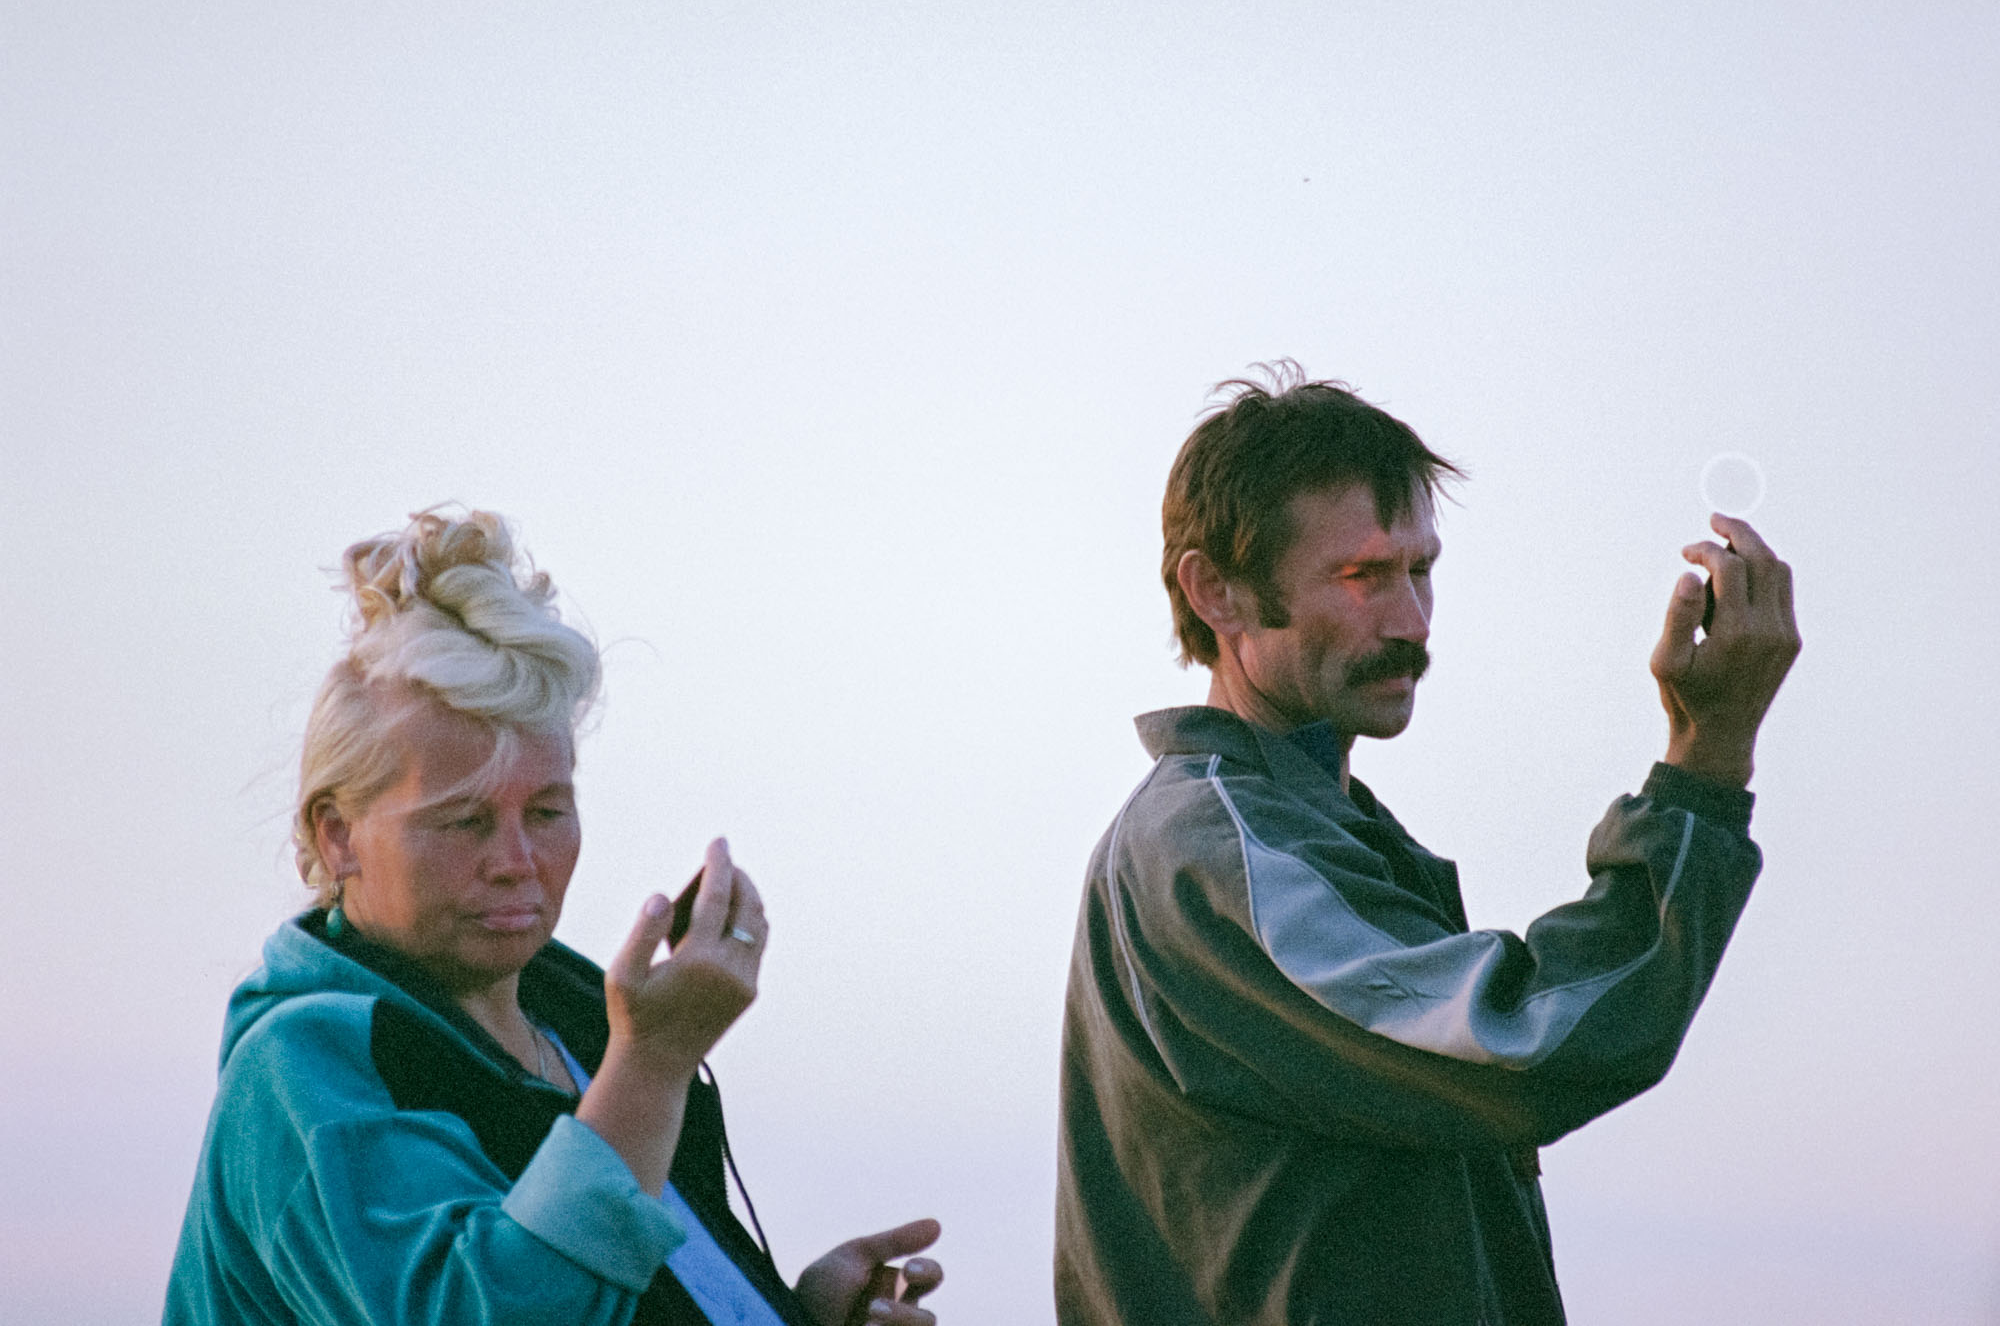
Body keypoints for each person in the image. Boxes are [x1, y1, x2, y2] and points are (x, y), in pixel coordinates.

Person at [1053, 364, 1801, 1325]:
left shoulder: (1298, 833)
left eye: (1421, 571)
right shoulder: (1212, 850)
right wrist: (1706, 759)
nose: (1411, 622)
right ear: (1218, 593)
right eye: (1362, 576)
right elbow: (1531, 1044)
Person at [166, 508, 944, 1326]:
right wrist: (653, 1063)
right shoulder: (302, 1068)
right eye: (463, 820)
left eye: (545, 811)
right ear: (339, 835)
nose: (516, 858)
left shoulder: (582, 1032)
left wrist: (790, 1315)